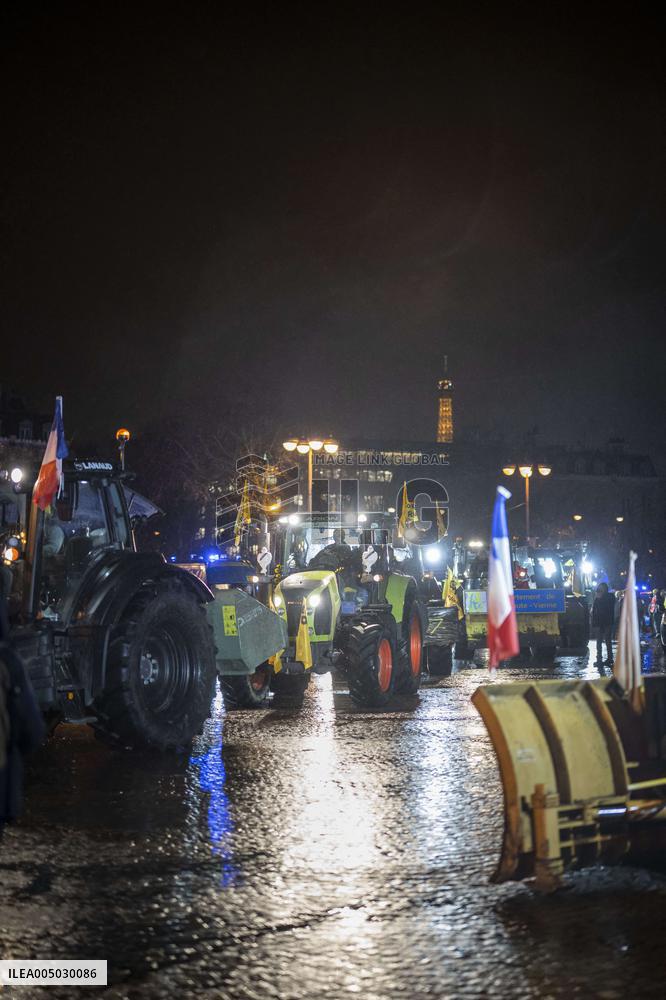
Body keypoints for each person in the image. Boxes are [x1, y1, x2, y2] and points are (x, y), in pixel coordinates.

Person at [592, 582, 615, 666]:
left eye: (601, 588)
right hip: (599, 622)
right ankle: (599, 659)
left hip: (607, 622)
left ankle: (609, 658)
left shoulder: (610, 597)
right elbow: (594, 610)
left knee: (607, 641)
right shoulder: (598, 598)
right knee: (599, 641)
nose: (600, 590)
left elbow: (607, 608)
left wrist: (600, 598)